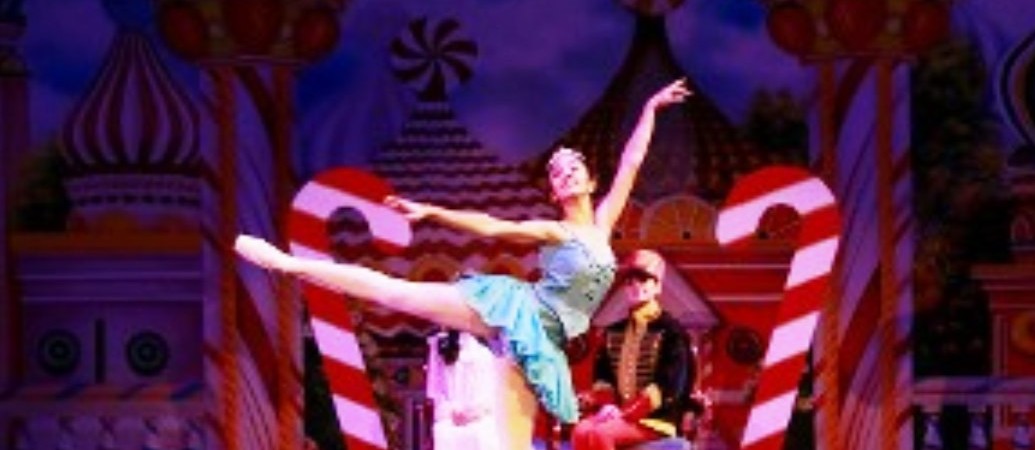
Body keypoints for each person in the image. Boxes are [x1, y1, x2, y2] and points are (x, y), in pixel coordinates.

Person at [232, 80, 692, 442]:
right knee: (401, 293)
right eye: (556, 171)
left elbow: (632, 160)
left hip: (545, 341)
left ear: (591, 181)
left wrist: (650, 108)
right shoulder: (556, 231)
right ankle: (289, 266)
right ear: (554, 191)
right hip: (520, 312)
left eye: (573, 167)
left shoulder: (604, 221)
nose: (565, 172)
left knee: (516, 431)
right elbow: (490, 225)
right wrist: (432, 211)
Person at [572, 249, 695, 450]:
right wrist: (608, 406)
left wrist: (625, 413)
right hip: (618, 415)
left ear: (658, 287)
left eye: (644, 279)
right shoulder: (614, 331)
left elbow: (668, 386)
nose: (636, 285)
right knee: (581, 431)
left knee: (600, 434)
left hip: (656, 420)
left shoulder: (672, 332)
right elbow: (603, 378)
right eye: (629, 281)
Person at [426, 329, 501, 450]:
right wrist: (452, 411)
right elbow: (436, 389)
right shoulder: (440, 344)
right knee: (445, 432)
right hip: (451, 419)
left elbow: (496, 387)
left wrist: (478, 410)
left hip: (484, 417)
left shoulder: (490, 347)